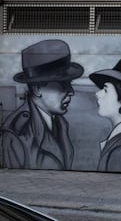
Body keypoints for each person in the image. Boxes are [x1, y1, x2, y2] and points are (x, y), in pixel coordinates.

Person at [2, 39, 84, 170]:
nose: (71, 92)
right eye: (62, 85)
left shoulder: (60, 123)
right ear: (37, 89)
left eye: (69, 84)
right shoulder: (18, 134)